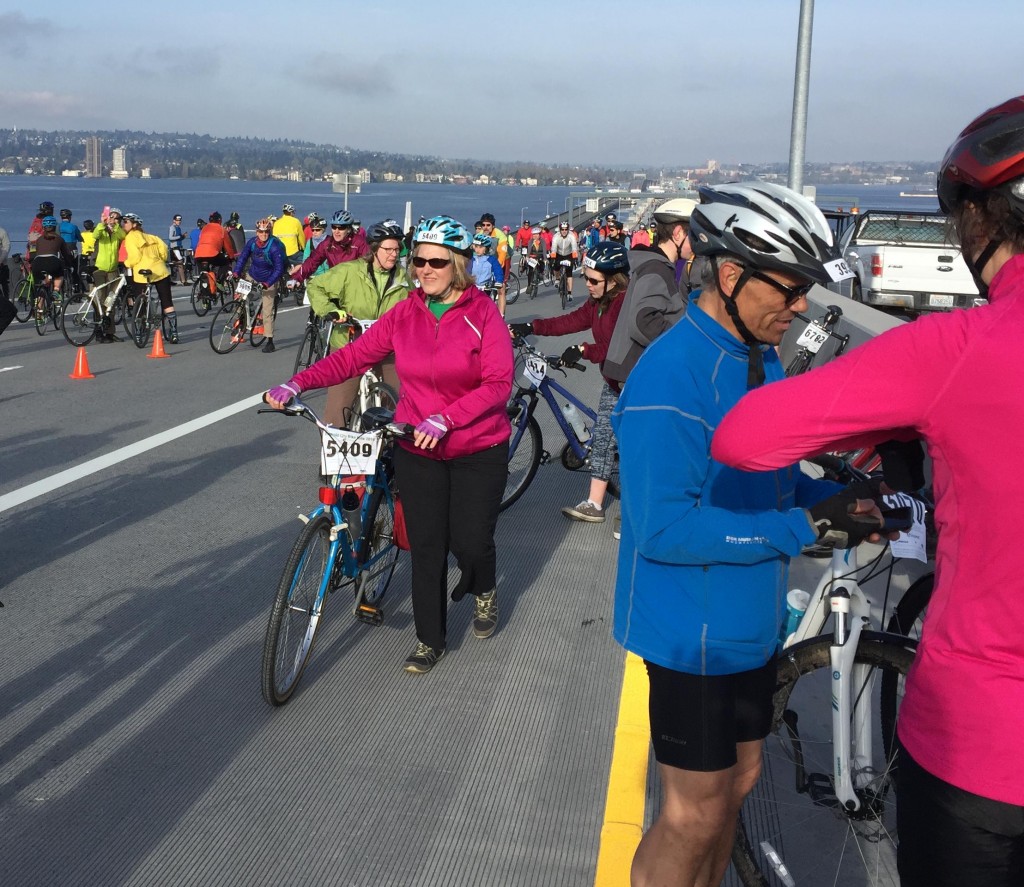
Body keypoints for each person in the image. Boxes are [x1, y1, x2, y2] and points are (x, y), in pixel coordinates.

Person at [712, 99, 1024, 887]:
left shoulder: (955, 347)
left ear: (985, 216)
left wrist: (907, 429)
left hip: (985, 750)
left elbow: (744, 437)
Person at [611, 181, 874, 887]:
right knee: (692, 812)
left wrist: (840, 498)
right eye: (788, 292)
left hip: (749, 626)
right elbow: (663, 527)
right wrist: (805, 524)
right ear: (731, 275)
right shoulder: (671, 377)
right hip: (688, 633)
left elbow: (777, 481)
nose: (799, 309)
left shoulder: (760, 362)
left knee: (741, 780)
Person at [264, 215, 512, 675]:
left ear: (458, 263)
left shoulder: (483, 315)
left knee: (471, 543)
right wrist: (297, 383)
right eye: (418, 260)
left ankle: (484, 588)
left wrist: (449, 417)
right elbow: (354, 356)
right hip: (418, 446)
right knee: (427, 544)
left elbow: (499, 383)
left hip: (478, 447)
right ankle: (429, 640)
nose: (424, 269)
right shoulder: (405, 312)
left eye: (436, 261)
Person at [509, 241, 630, 524]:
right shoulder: (600, 301)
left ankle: (633, 513)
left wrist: (585, 350)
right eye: (585, 278)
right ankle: (594, 504)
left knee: (628, 447)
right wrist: (533, 326)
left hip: (633, 384)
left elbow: (616, 347)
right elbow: (572, 321)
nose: (586, 284)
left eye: (593, 280)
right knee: (602, 441)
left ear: (613, 280)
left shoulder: (624, 305)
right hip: (613, 381)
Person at [304, 219, 412, 424]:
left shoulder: (401, 277)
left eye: (397, 249)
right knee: (337, 410)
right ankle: (334, 448)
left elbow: (414, 305)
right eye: (388, 249)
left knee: (399, 401)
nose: (394, 254)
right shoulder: (350, 271)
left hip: (387, 346)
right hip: (350, 343)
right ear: (374, 249)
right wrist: (331, 311)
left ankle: (389, 445)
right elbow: (316, 287)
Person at [603, 197, 695, 385]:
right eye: (693, 235)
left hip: (634, 370)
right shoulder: (657, 269)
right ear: (678, 233)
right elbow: (642, 320)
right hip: (639, 371)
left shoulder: (652, 263)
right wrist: (684, 339)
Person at [121, 212, 179, 344]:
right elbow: (164, 252)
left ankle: (139, 332)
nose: (124, 224)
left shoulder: (130, 237)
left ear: (134, 225)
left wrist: (126, 264)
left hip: (142, 273)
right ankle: (174, 332)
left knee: (140, 301)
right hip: (160, 271)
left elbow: (135, 257)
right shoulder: (153, 237)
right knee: (167, 302)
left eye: (126, 222)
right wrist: (159, 260)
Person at [231, 217, 286, 353]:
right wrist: (237, 272)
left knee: (267, 311)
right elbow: (243, 257)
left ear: (270, 231)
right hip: (253, 274)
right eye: (261, 232)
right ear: (256, 232)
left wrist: (268, 283)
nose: (264, 235)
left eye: (266, 232)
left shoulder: (274, 247)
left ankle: (269, 340)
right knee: (239, 296)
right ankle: (241, 321)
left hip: (269, 279)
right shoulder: (252, 243)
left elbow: (279, 269)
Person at [289, 209, 368, 285]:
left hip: (354, 286)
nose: (336, 231)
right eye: (334, 227)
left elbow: (368, 265)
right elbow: (311, 262)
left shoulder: (359, 243)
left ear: (348, 229)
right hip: (335, 284)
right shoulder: (327, 244)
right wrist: (296, 278)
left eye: (341, 228)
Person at [91, 207, 126, 341]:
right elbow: (95, 235)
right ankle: (98, 331)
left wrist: (115, 226)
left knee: (110, 301)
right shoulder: (101, 230)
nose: (113, 220)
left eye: (116, 218)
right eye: (111, 217)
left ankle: (110, 332)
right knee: (100, 300)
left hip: (113, 270)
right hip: (100, 269)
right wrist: (103, 223)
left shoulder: (117, 232)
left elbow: (123, 236)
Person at [30, 215, 76, 303]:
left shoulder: (39, 239)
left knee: (43, 286)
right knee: (59, 275)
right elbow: (66, 255)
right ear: (55, 227)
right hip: (52, 262)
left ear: (43, 227)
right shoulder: (59, 239)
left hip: (37, 264)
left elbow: (36, 252)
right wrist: (69, 265)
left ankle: (39, 311)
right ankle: (55, 291)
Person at [470, 232, 506, 315]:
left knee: (488, 308)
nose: (478, 249)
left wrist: (499, 281)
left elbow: (498, 271)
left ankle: (500, 316)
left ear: (486, 248)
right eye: (476, 247)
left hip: (486, 288)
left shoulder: (491, 259)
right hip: (473, 288)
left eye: (481, 247)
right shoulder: (471, 259)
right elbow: (466, 271)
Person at [549, 221, 579, 300]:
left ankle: (569, 293)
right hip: (559, 254)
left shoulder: (571, 236)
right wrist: (552, 258)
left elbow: (574, 248)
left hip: (568, 254)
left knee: (569, 273)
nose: (564, 231)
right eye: (562, 229)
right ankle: (558, 279)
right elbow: (554, 248)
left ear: (568, 230)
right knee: (556, 267)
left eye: (566, 229)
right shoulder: (556, 236)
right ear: (560, 230)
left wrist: (575, 259)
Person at [0, 226, 15, 342]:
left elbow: (7, 246)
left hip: (2, 265)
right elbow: (6, 247)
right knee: (9, 310)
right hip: (2, 265)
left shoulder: (2, 232)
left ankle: (6, 298)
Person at [524, 227, 547, 297]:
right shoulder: (531, 241)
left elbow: (544, 250)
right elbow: (529, 250)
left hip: (540, 256)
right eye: (534, 234)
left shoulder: (542, 241)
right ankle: (529, 285)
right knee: (530, 271)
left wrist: (545, 259)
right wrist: (527, 257)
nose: (535, 236)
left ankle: (540, 274)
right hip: (532, 257)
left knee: (542, 266)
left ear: (540, 235)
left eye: (537, 234)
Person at [168, 214, 187, 285]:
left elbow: (178, 238)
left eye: (180, 220)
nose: (179, 221)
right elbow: (170, 238)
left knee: (175, 263)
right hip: (174, 248)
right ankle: (183, 280)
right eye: (177, 220)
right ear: (174, 221)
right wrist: (180, 236)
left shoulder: (178, 228)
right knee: (180, 262)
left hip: (178, 247)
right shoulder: (172, 227)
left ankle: (174, 279)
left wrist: (183, 237)